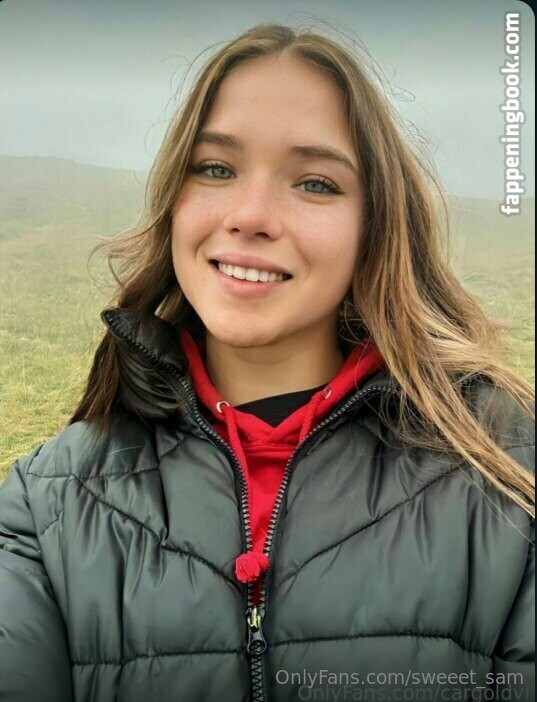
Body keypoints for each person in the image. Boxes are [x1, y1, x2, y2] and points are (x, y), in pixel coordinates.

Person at [0, 22, 534, 702]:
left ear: (374, 227)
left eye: (314, 183)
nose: (250, 215)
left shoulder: (507, 475)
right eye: (215, 168)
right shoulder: (47, 504)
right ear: (174, 202)